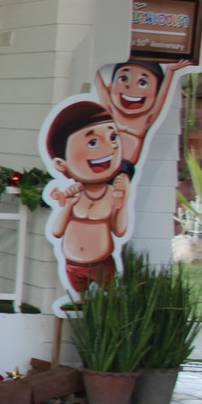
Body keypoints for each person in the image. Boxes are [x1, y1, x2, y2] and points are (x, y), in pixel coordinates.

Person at [41, 99, 129, 296]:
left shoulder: (112, 192)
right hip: (72, 265)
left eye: (113, 137)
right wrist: (67, 205)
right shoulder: (74, 193)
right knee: (78, 302)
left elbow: (119, 230)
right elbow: (57, 231)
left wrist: (122, 202)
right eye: (93, 142)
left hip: (102, 264)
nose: (110, 148)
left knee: (109, 301)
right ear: (61, 163)